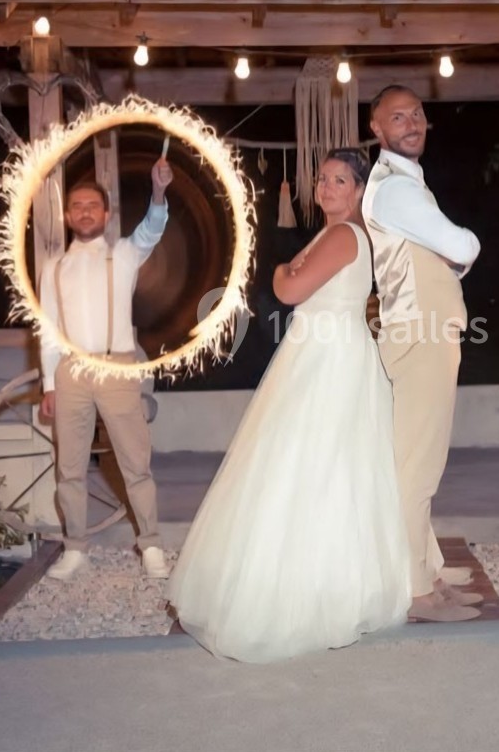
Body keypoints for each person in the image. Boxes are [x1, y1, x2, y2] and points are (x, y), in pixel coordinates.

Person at [167, 148, 411, 663]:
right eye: (322, 179)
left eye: (339, 181)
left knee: (305, 463)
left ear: (360, 191)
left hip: (325, 355)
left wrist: (282, 268)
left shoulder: (345, 235)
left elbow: (290, 289)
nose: (326, 188)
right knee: (327, 467)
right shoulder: (341, 234)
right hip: (330, 349)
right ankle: (336, 585)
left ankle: (306, 592)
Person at [362, 85, 484, 622]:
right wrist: (463, 250)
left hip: (424, 331)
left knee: (421, 463)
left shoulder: (407, 183)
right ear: (377, 128)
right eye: (398, 117)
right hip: (420, 333)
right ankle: (413, 593)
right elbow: (462, 247)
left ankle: (425, 575)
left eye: (416, 114)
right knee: (416, 467)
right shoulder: (394, 190)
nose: (411, 123)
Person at [39, 160, 173, 581]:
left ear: (106, 213)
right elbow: (47, 329)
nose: (83, 211)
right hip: (71, 370)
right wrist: (48, 384)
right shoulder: (53, 267)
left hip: (117, 367)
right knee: (70, 467)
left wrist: (158, 193)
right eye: (76, 206)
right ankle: (75, 548)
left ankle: (150, 544)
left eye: (91, 205)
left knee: (135, 462)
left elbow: (152, 229)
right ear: (67, 215)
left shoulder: (125, 254)